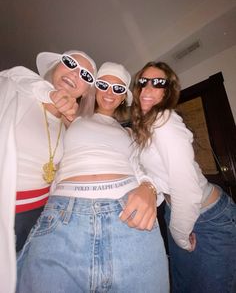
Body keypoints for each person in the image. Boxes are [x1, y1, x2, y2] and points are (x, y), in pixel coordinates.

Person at [16, 62, 169, 293]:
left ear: (123, 98)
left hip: (128, 214)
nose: (110, 92)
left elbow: (151, 168)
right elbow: (18, 78)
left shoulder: (129, 132)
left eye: (118, 89)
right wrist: (51, 93)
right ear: (93, 88)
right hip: (63, 217)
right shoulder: (72, 116)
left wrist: (150, 187)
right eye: (103, 84)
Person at [130, 61, 236, 293]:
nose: (148, 88)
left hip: (206, 217)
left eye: (158, 83)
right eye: (143, 82)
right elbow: (142, 169)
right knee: (182, 286)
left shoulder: (164, 120)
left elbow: (185, 187)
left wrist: (179, 235)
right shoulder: (145, 127)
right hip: (177, 212)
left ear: (167, 92)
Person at [0, 50, 97, 293]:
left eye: (85, 74)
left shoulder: (70, 129)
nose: (76, 73)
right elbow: (12, 75)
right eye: (70, 63)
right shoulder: (17, 92)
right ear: (55, 67)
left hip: (39, 219)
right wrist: (48, 92)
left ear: (85, 92)